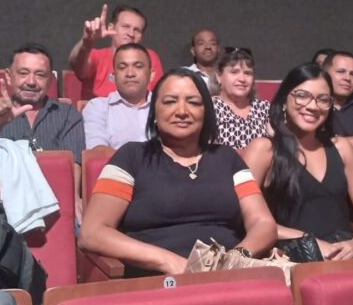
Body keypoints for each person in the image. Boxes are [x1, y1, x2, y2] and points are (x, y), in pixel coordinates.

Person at [78, 67, 276, 277]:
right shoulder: (131, 157)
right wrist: (170, 262)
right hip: (157, 280)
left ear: (206, 112)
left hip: (227, 277)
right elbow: (92, 233)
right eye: (170, 101)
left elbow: (263, 223)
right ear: (155, 112)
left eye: (193, 102)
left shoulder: (227, 158)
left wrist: (235, 258)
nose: (182, 111)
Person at [244, 63, 353, 260]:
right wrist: (308, 241)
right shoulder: (264, 149)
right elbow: (245, 216)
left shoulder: (341, 148)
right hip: (292, 251)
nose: (312, 106)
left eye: (323, 99)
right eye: (302, 96)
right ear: (284, 100)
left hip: (343, 250)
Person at [0, 43, 86, 221]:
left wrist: (73, 199)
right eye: (23, 73)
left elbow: (73, 162)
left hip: (54, 205)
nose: (31, 82)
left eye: (40, 75)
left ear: (50, 80)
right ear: (9, 76)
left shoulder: (67, 114)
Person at [68, 4, 164, 98]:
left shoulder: (150, 57)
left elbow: (160, 95)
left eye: (137, 30)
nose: (131, 34)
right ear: (111, 28)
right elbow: (76, 65)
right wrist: (87, 41)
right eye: (125, 27)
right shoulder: (96, 56)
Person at [83, 43, 154, 149]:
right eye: (122, 67)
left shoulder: (165, 107)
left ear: (151, 75)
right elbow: (97, 151)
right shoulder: (98, 107)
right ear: (114, 76)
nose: (130, 73)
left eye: (138, 66)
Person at [213, 47, 270, 150]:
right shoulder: (208, 108)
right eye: (234, 72)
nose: (242, 79)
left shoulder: (264, 108)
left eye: (247, 73)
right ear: (219, 76)